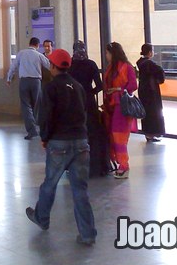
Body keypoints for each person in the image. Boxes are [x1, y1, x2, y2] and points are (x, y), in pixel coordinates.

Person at [25, 48, 97, 246]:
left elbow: (45, 116)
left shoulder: (50, 88)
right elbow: (83, 112)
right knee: (80, 190)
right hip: (81, 142)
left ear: (52, 66)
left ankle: (41, 217)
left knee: (50, 183)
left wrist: (44, 137)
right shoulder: (78, 87)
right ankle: (88, 233)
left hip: (59, 143)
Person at [69, 40, 108, 177]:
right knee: (91, 131)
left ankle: (75, 162)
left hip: (73, 102)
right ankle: (94, 162)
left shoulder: (70, 64)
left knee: (75, 131)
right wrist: (90, 92)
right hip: (88, 101)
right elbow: (100, 85)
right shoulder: (91, 64)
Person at [103, 41, 137, 178]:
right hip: (110, 105)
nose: (106, 55)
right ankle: (119, 162)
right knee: (113, 134)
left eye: (107, 53)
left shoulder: (126, 67)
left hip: (121, 106)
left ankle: (124, 165)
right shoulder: (111, 67)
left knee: (119, 135)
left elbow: (133, 85)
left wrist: (119, 90)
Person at [6, 37, 51, 139]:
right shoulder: (39, 55)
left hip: (24, 81)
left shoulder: (21, 53)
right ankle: (38, 127)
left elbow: (13, 66)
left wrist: (9, 78)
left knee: (26, 106)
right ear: (37, 45)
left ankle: (31, 130)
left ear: (29, 44)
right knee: (37, 105)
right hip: (36, 82)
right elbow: (49, 66)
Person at [136, 43, 165, 142]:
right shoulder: (149, 63)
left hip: (142, 89)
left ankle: (147, 134)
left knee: (146, 112)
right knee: (154, 112)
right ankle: (153, 133)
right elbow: (160, 72)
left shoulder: (140, 62)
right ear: (149, 52)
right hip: (151, 91)